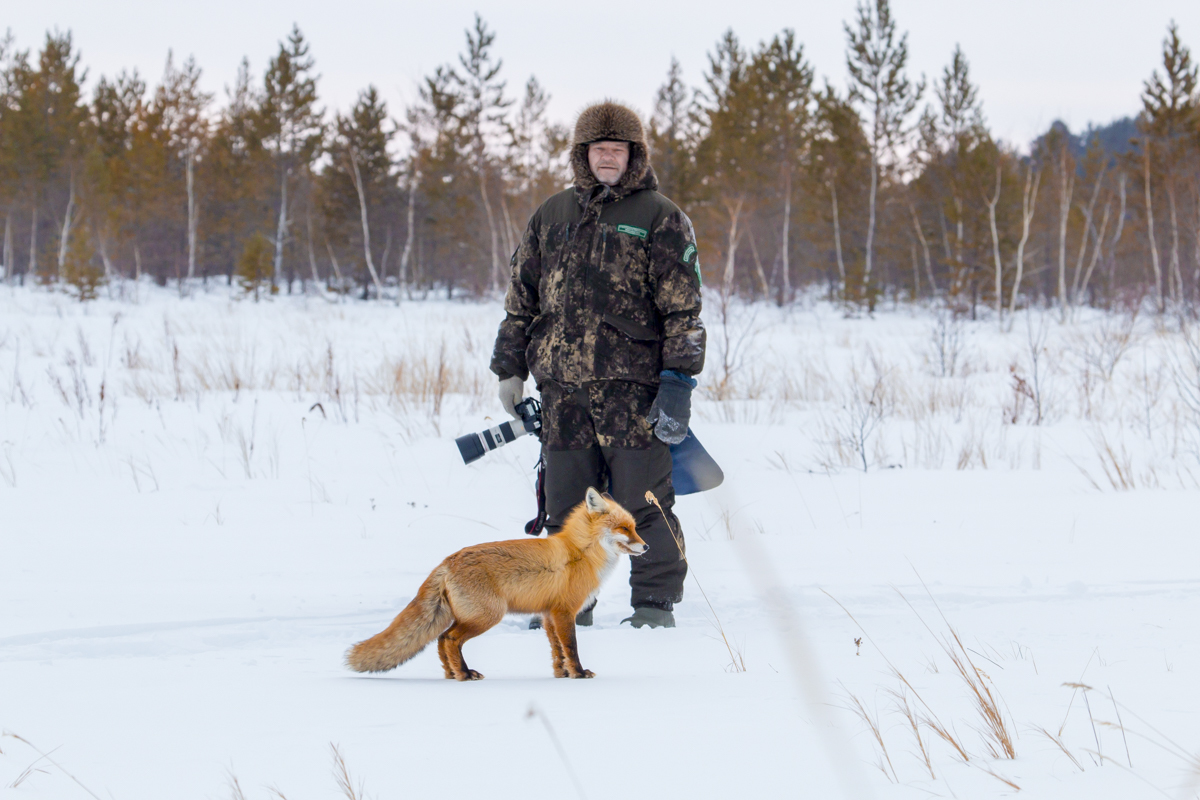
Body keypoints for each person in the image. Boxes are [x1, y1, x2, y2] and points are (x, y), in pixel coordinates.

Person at [489, 100, 706, 629]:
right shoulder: (552, 214)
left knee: (643, 501)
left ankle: (654, 606)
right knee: (568, 507)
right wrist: (510, 369)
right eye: (598, 149)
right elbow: (522, 300)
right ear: (582, 155)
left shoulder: (660, 215)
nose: (608, 158)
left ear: (634, 156)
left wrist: (677, 383)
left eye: (618, 149)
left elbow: (684, 308)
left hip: (634, 393)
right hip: (563, 391)